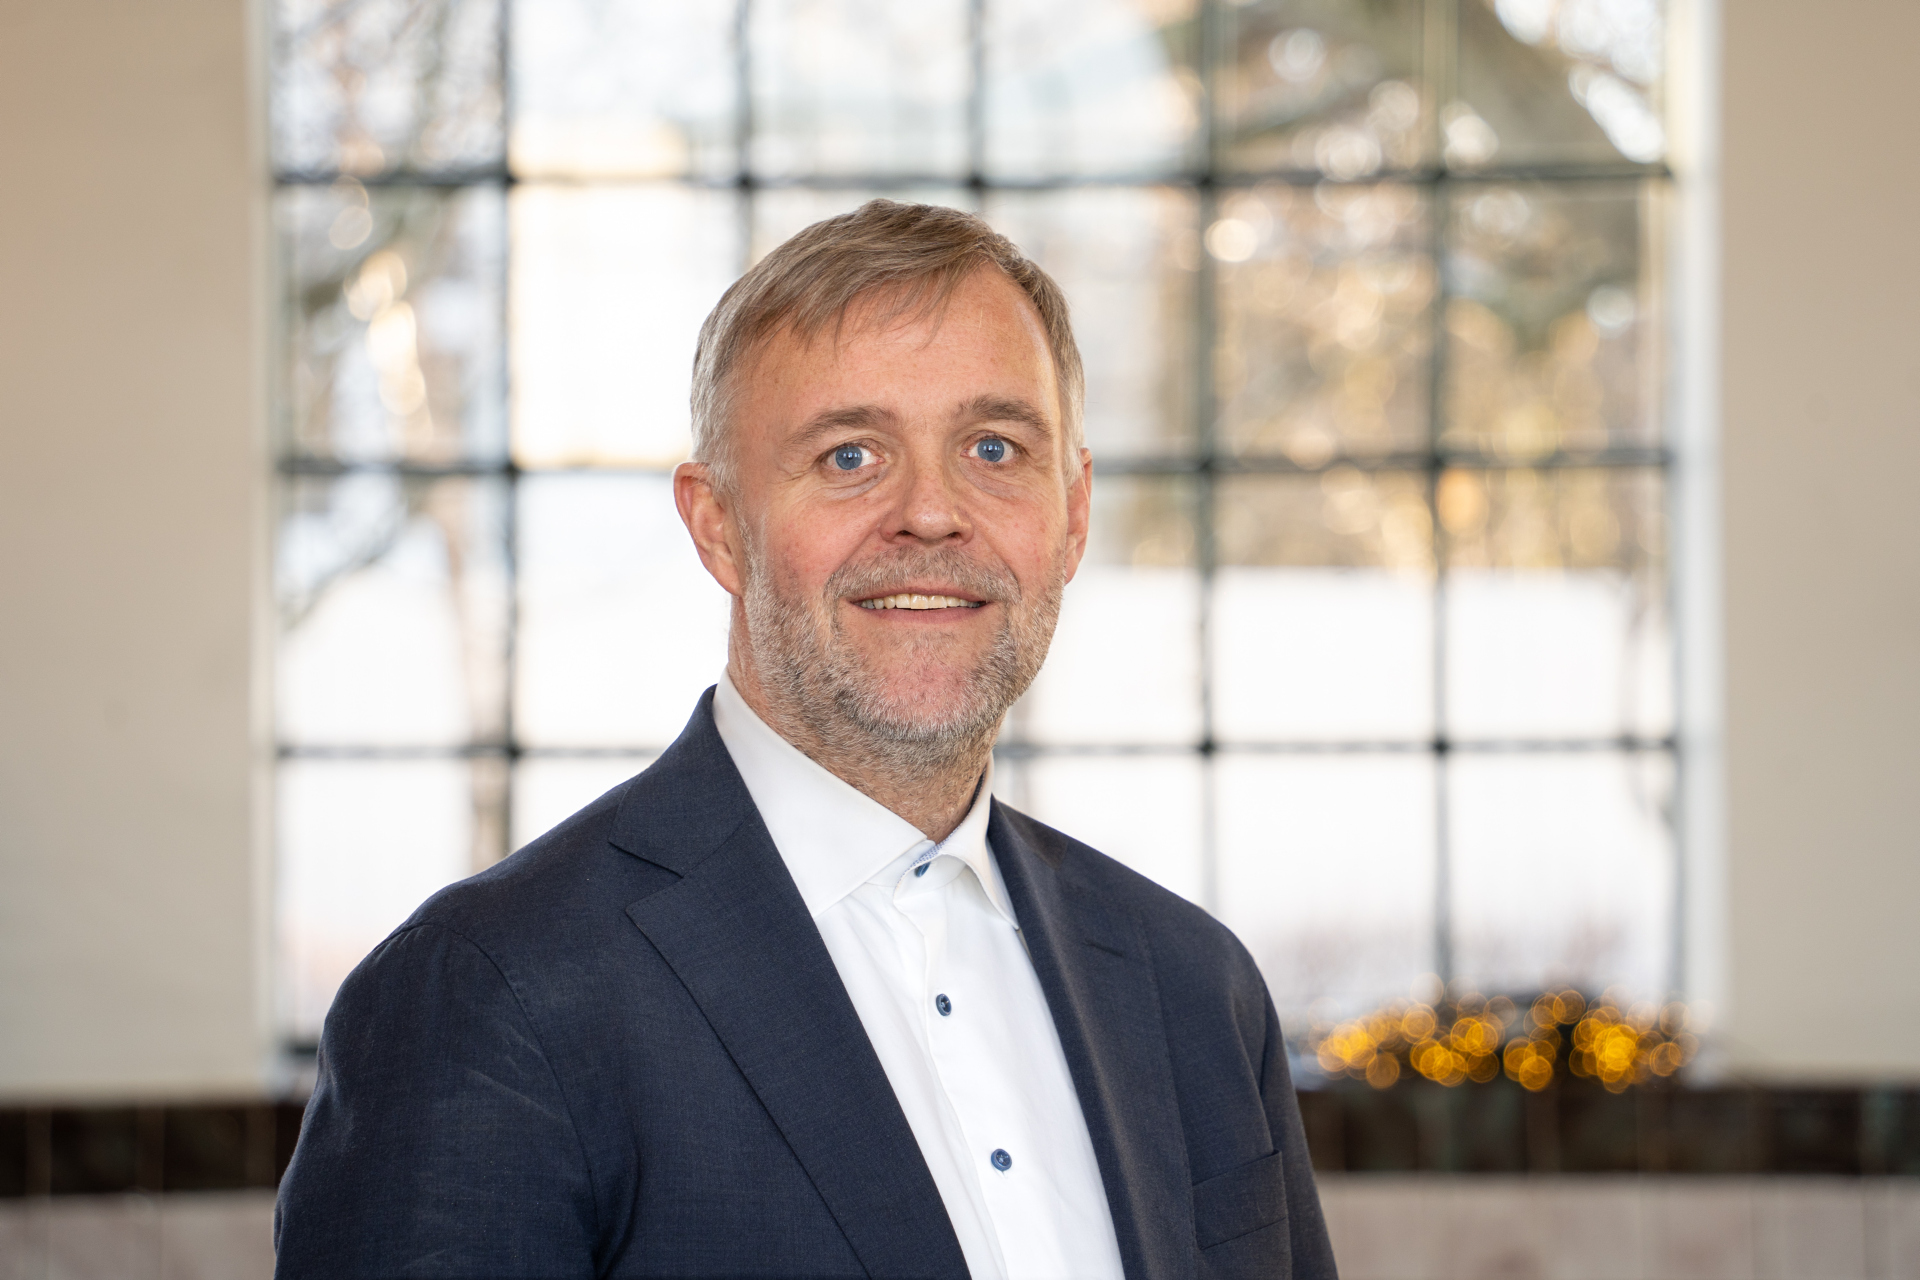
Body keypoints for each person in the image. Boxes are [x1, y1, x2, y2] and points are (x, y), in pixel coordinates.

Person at [274, 199, 1336, 1280]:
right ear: (719, 526)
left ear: (1071, 514)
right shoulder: (489, 995)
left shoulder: (1197, 991)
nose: (932, 512)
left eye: (993, 447)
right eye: (849, 455)